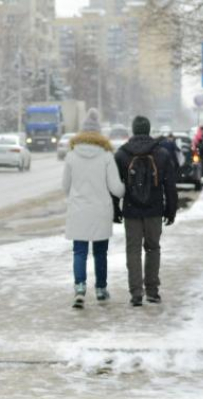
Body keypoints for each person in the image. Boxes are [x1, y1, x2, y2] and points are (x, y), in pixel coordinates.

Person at [62, 108, 125, 308]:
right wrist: (126, 191)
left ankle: (80, 288)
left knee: (79, 251)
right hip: (100, 211)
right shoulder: (106, 156)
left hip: (79, 209)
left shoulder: (71, 156)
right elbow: (116, 188)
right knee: (100, 252)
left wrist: (76, 196)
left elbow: (65, 186)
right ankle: (100, 289)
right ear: (99, 134)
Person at [114, 115, 178, 307]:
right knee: (153, 248)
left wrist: (115, 209)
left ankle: (135, 293)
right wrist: (171, 209)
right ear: (149, 130)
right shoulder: (161, 153)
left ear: (133, 130)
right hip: (154, 210)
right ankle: (152, 291)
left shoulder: (122, 155)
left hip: (131, 210)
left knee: (132, 250)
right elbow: (170, 186)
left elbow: (115, 186)